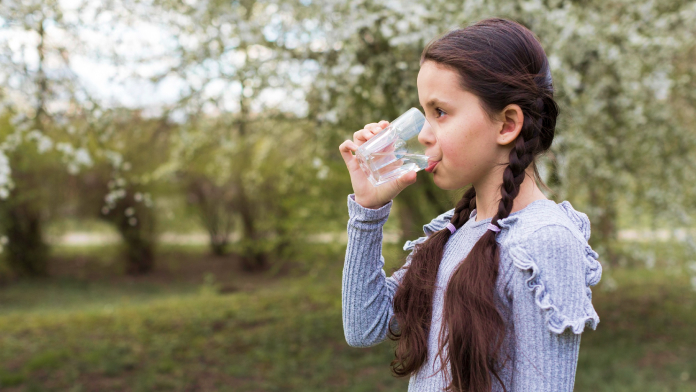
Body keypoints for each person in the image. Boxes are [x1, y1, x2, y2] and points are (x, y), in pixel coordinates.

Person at [337, 18, 602, 392]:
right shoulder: (454, 229)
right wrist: (367, 211)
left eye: (440, 112)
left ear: (507, 124)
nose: (424, 135)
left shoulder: (544, 241)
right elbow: (364, 327)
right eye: (424, 114)